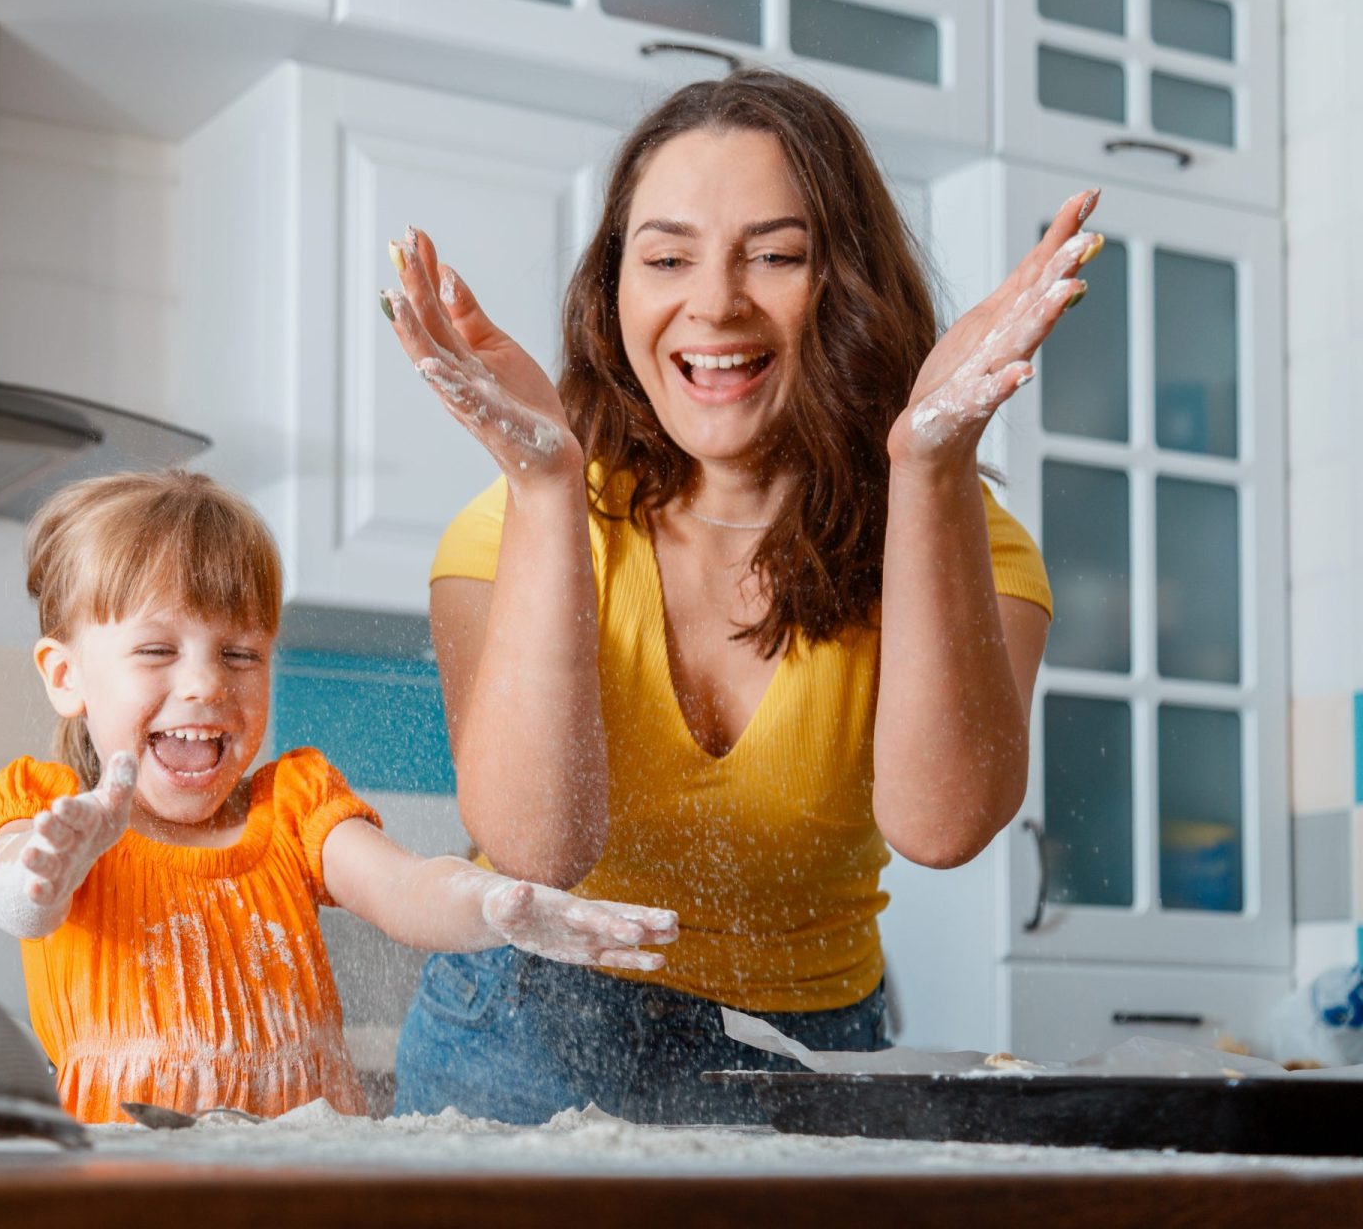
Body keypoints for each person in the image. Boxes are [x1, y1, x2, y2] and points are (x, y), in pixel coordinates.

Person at [380, 69, 1090, 1123]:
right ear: (614, 288)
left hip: (804, 1065)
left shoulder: (962, 539)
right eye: (667, 257)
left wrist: (931, 462)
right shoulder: (511, 525)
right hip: (516, 1044)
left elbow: (942, 823)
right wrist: (542, 486)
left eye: (776, 255)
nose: (714, 302)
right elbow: (540, 847)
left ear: (844, 283)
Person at [0, 470, 679, 1123]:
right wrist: (45, 872)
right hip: (126, 1189)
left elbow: (404, 887)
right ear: (65, 676)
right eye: (158, 651)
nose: (207, 684)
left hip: (303, 1185)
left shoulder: (294, 805)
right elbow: (20, 902)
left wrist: (495, 906)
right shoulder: (48, 810)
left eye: (240, 654)